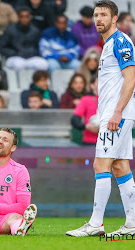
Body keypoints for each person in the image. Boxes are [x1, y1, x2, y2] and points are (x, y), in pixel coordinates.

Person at [66, 0, 135, 237]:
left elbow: (131, 77)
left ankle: (96, 224)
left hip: (117, 114)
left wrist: (116, 112)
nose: (98, 19)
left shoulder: (121, 41)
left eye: (104, 14)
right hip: (116, 113)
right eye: (96, 15)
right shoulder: (105, 45)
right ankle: (132, 223)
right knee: (119, 165)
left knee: (100, 164)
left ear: (114, 18)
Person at [0, 6, 48, 73]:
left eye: (27, 16)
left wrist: (31, 52)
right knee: (19, 64)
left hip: (31, 57)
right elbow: (1, 47)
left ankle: (36, 82)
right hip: (15, 57)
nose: (24, 19)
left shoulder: (35, 31)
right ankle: (19, 83)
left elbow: (38, 47)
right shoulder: (10, 30)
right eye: (22, 16)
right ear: (18, 17)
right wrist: (15, 53)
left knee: (43, 64)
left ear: (30, 17)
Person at [71, 77, 99, 145]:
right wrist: (87, 126)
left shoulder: (112, 100)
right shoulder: (86, 100)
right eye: (99, 81)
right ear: (92, 85)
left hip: (107, 142)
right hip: (90, 142)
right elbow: (74, 120)